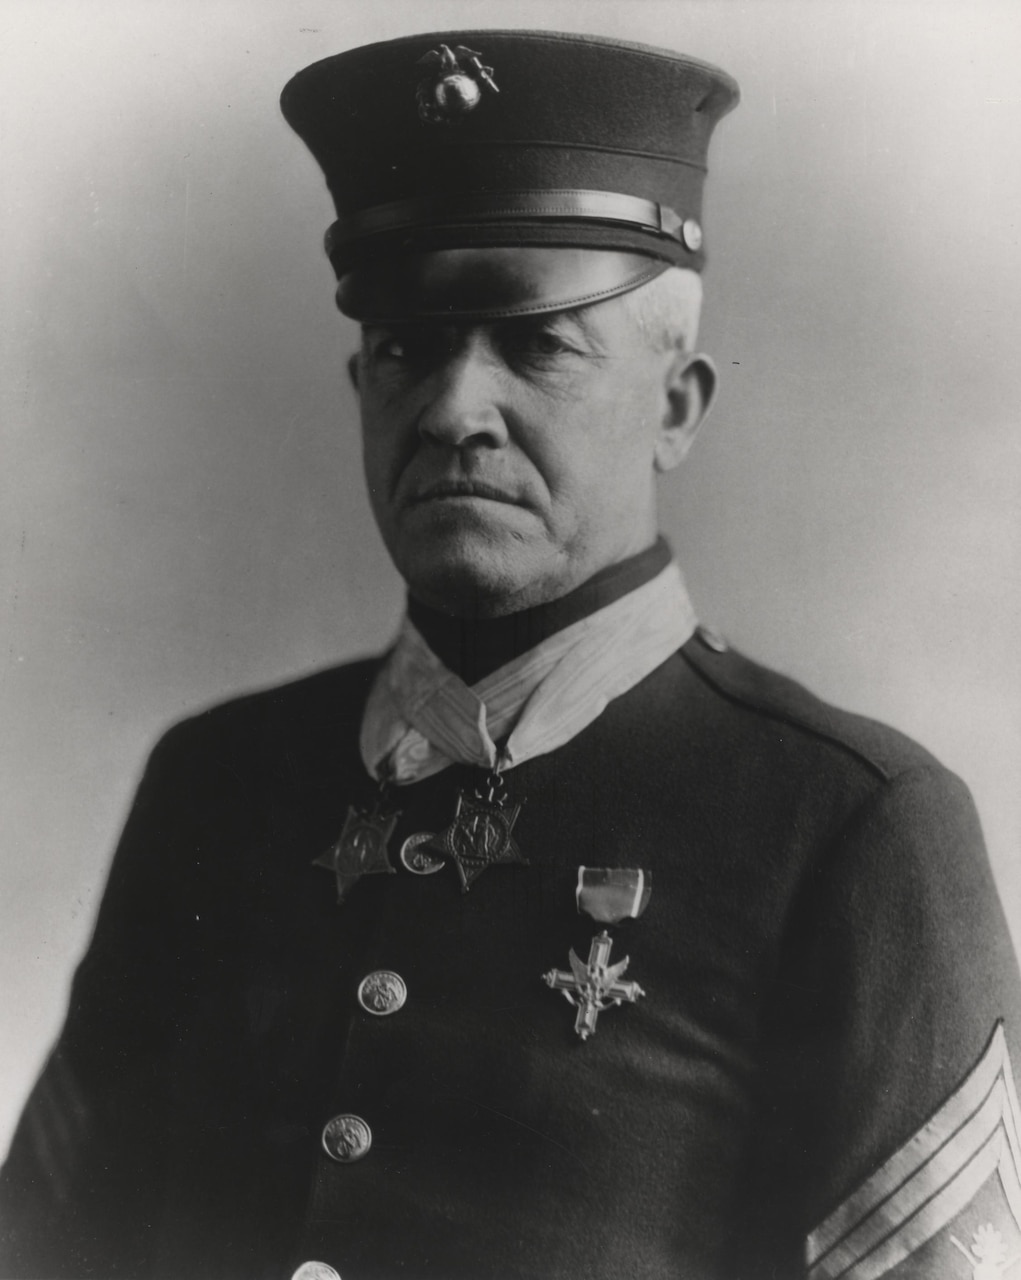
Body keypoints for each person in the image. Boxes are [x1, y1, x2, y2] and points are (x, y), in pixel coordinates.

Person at [2, 27, 1020, 1280]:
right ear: (361, 384)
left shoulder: (850, 826)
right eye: (404, 349)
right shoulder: (213, 782)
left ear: (676, 405)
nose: (449, 408)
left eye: (536, 345)